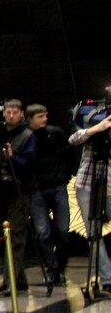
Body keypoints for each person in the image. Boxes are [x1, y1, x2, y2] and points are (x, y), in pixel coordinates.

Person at [0, 99, 36, 294]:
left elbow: (30, 165)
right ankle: (19, 279)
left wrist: (13, 158)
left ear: (21, 114)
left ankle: (9, 282)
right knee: (2, 236)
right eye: (8, 112)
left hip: (18, 190)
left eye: (15, 112)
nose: (11, 116)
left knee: (16, 236)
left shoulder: (28, 136)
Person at [25, 104, 71, 285]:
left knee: (63, 231)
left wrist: (65, 176)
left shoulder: (55, 133)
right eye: (39, 117)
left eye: (45, 116)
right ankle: (53, 269)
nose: (44, 120)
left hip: (58, 185)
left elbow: (68, 154)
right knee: (42, 233)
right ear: (30, 119)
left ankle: (60, 266)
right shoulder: (27, 137)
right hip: (37, 190)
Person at [68, 112, 111, 295]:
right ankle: (108, 279)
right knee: (93, 233)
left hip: (109, 186)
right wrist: (97, 128)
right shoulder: (94, 130)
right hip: (86, 185)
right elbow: (73, 139)